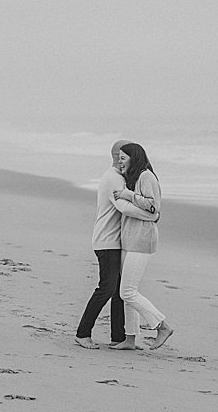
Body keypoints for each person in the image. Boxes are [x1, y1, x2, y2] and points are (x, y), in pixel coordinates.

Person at [110, 142, 173, 352]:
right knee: (128, 291)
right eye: (118, 158)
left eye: (123, 158)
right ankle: (130, 339)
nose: (119, 162)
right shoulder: (133, 178)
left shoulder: (146, 177)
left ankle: (161, 326)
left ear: (134, 158)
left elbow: (153, 206)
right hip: (130, 239)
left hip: (142, 240)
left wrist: (128, 195)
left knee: (127, 292)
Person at [74, 141, 130, 349]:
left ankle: (119, 337)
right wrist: (151, 211)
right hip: (107, 241)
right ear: (119, 155)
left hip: (114, 241)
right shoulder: (113, 178)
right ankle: (82, 333)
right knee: (106, 288)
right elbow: (123, 206)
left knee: (118, 291)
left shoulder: (119, 177)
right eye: (127, 155)